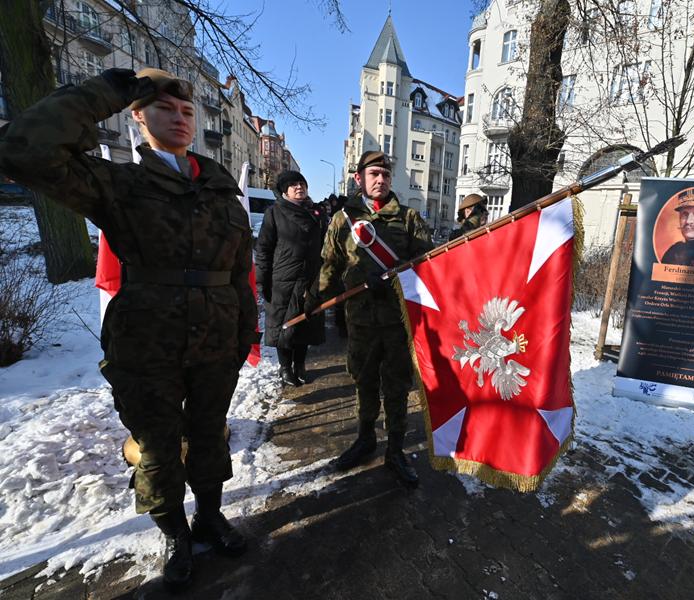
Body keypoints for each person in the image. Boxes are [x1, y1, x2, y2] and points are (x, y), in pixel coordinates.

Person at [0, 68, 257, 589]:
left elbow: (238, 278)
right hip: (147, 341)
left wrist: (241, 337)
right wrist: (109, 91)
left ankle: (210, 516)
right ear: (137, 115)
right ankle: (175, 533)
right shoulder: (119, 182)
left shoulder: (221, 191)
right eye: (165, 109)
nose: (181, 119)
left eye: (188, 112)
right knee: (159, 446)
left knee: (209, 435)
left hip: (215, 339)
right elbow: (23, 149)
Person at [307, 151, 433, 485]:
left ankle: (395, 449)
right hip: (360, 320)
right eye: (374, 173)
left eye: (386, 175)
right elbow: (330, 264)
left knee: (396, 386)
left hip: (397, 322)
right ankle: (365, 439)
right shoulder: (343, 218)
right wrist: (314, 298)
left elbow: (428, 269)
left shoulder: (408, 219)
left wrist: (395, 278)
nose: (381, 180)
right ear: (359, 178)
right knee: (363, 381)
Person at [255, 170, 327, 386]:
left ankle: (300, 365)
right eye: (293, 184)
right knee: (284, 327)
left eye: (302, 183)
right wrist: (262, 280)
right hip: (282, 280)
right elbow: (264, 249)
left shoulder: (316, 214)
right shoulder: (274, 213)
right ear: (284, 190)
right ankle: (285, 368)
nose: (299, 187)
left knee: (305, 323)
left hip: (311, 278)